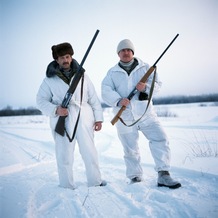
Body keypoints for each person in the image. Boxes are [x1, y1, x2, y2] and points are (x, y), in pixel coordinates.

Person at [101, 39, 181, 189]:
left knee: (160, 139)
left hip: (147, 115)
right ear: (118, 53)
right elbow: (105, 91)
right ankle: (135, 177)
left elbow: (157, 86)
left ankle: (164, 174)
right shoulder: (111, 73)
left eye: (128, 50)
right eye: (122, 50)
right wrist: (118, 101)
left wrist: (145, 87)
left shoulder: (146, 68)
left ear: (133, 52)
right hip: (125, 116)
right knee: (130, 149)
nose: (126, 52)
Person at [36, 42, 106, 189]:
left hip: (84, 117)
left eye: (67, 56)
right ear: (56, 60)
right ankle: (66, 185)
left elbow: (93, 98)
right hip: (62, 119)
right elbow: (41, 101)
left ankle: (95, 181)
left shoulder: (83, 75)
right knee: (64, 155)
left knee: (90, 152)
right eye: (62, 57)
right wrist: (56, 110)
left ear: (71, 57)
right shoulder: (49, 80)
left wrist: (99, 118)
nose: (65, 60)